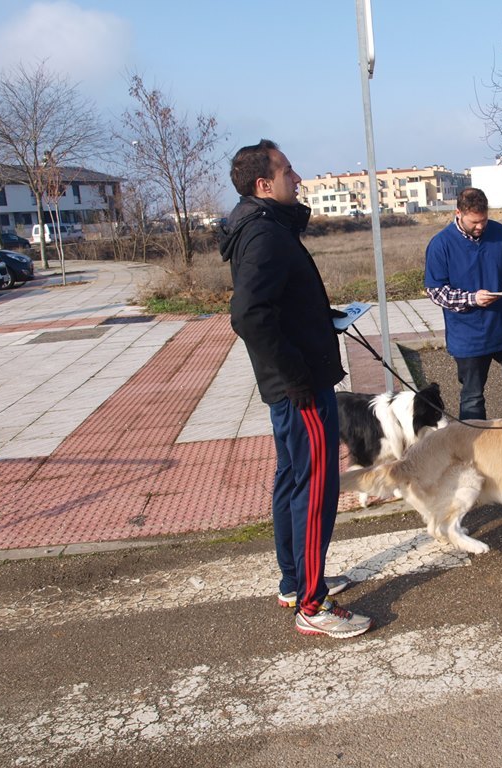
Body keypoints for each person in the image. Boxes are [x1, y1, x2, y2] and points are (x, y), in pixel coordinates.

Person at [220, 139, 373, 639]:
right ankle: (312, 603)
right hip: (299, 388)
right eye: (288, 171)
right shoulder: (264, 234)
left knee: (292, 479)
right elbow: (248, 315)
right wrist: (296, 375)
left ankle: (295, 583)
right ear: (264, 184)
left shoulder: (266, 226)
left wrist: (319, 318)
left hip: (293, 383)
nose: (298, 177)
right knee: (315, 489)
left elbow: (279, 305)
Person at [425, 187, 502, 420]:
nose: (480, 226)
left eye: (484, 220)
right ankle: (473, 444)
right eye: (474, 222)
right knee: (472, 397)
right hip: (469, 336)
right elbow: (436, 291)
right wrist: (472, 299)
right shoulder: (440, 244)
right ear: (458, 213)